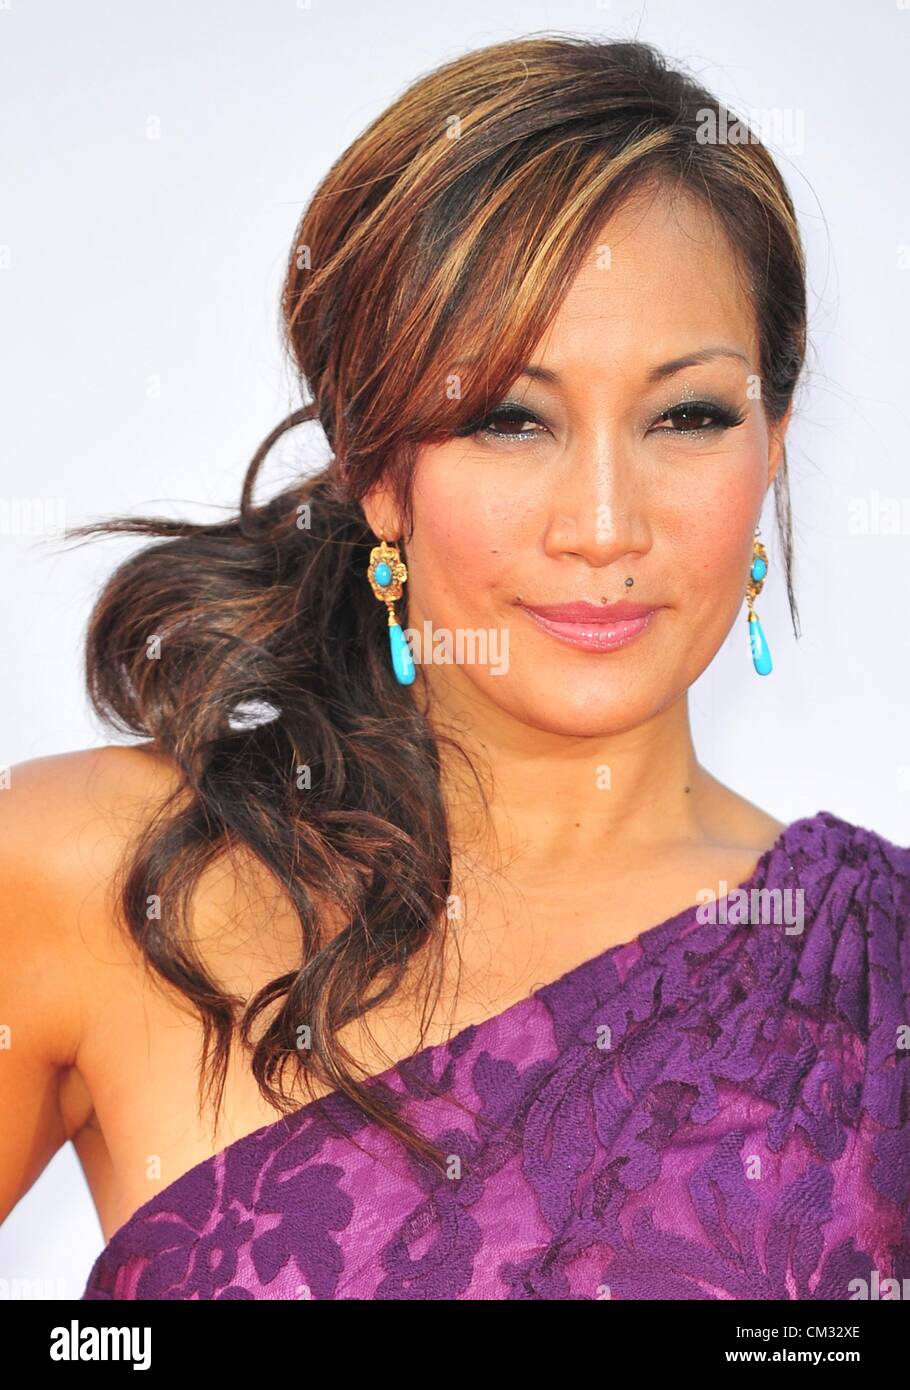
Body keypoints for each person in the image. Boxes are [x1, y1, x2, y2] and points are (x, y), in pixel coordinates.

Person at [2, 34, 907, 1301]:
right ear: (378, 470)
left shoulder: (876, 977)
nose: (604, 526)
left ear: (772, 442)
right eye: (508, 418)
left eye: (688, 416)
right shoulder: (86, 876)